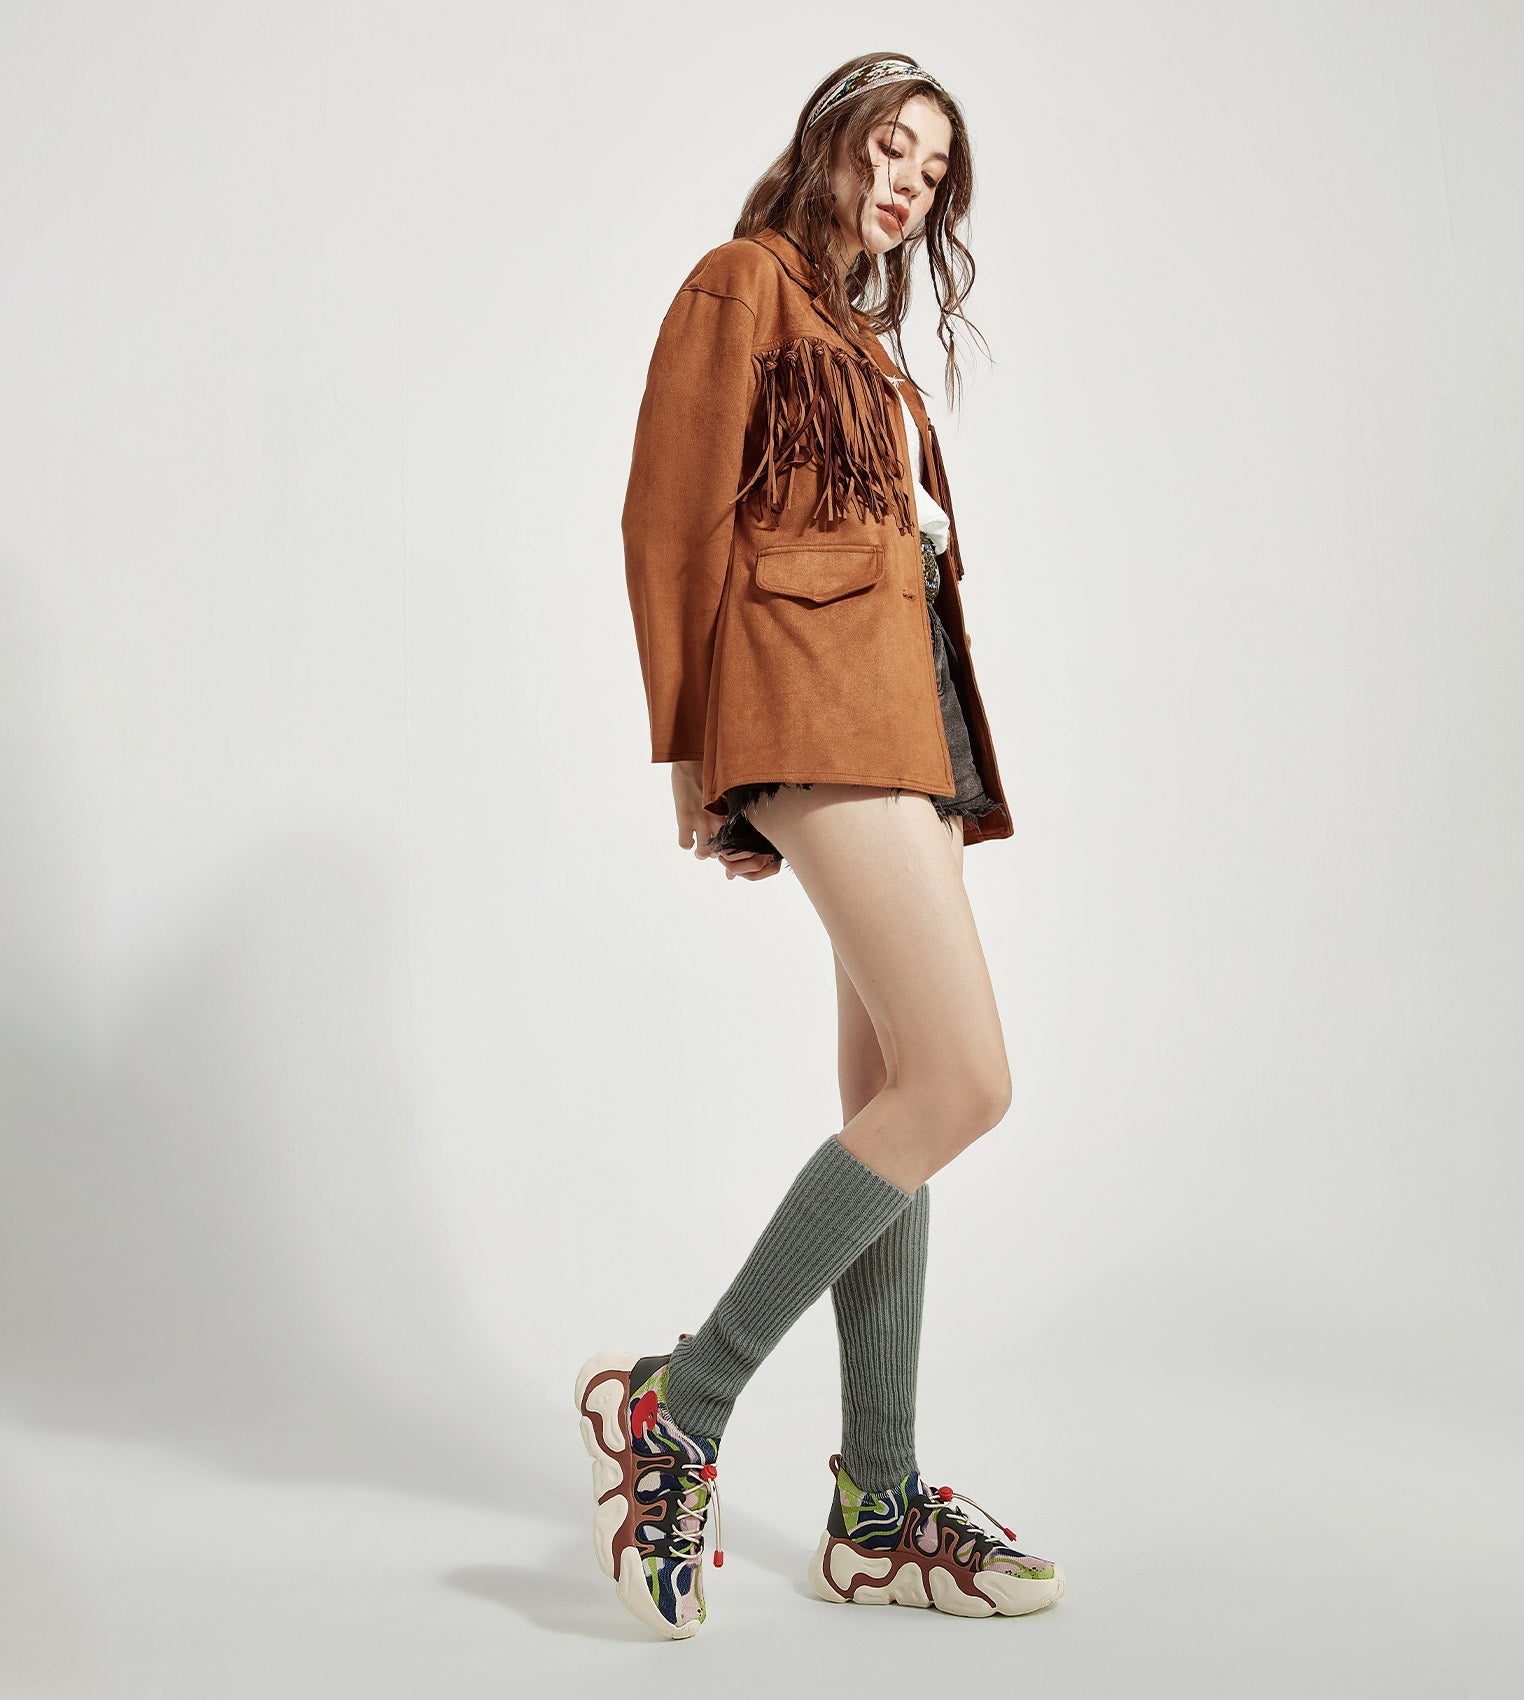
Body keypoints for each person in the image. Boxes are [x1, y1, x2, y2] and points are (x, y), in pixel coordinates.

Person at [574, 51, 1065, 1640]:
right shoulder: (745, 283)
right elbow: (669, 518)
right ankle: (683, 1400)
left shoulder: (859, 336)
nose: (910, 178)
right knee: (965, 1083)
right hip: (812, 710)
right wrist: (694, 754)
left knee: (895, 1105)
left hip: (902, 725)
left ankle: (876, 1506)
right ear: (833, 140)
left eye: (936, 166)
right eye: (893, 144)